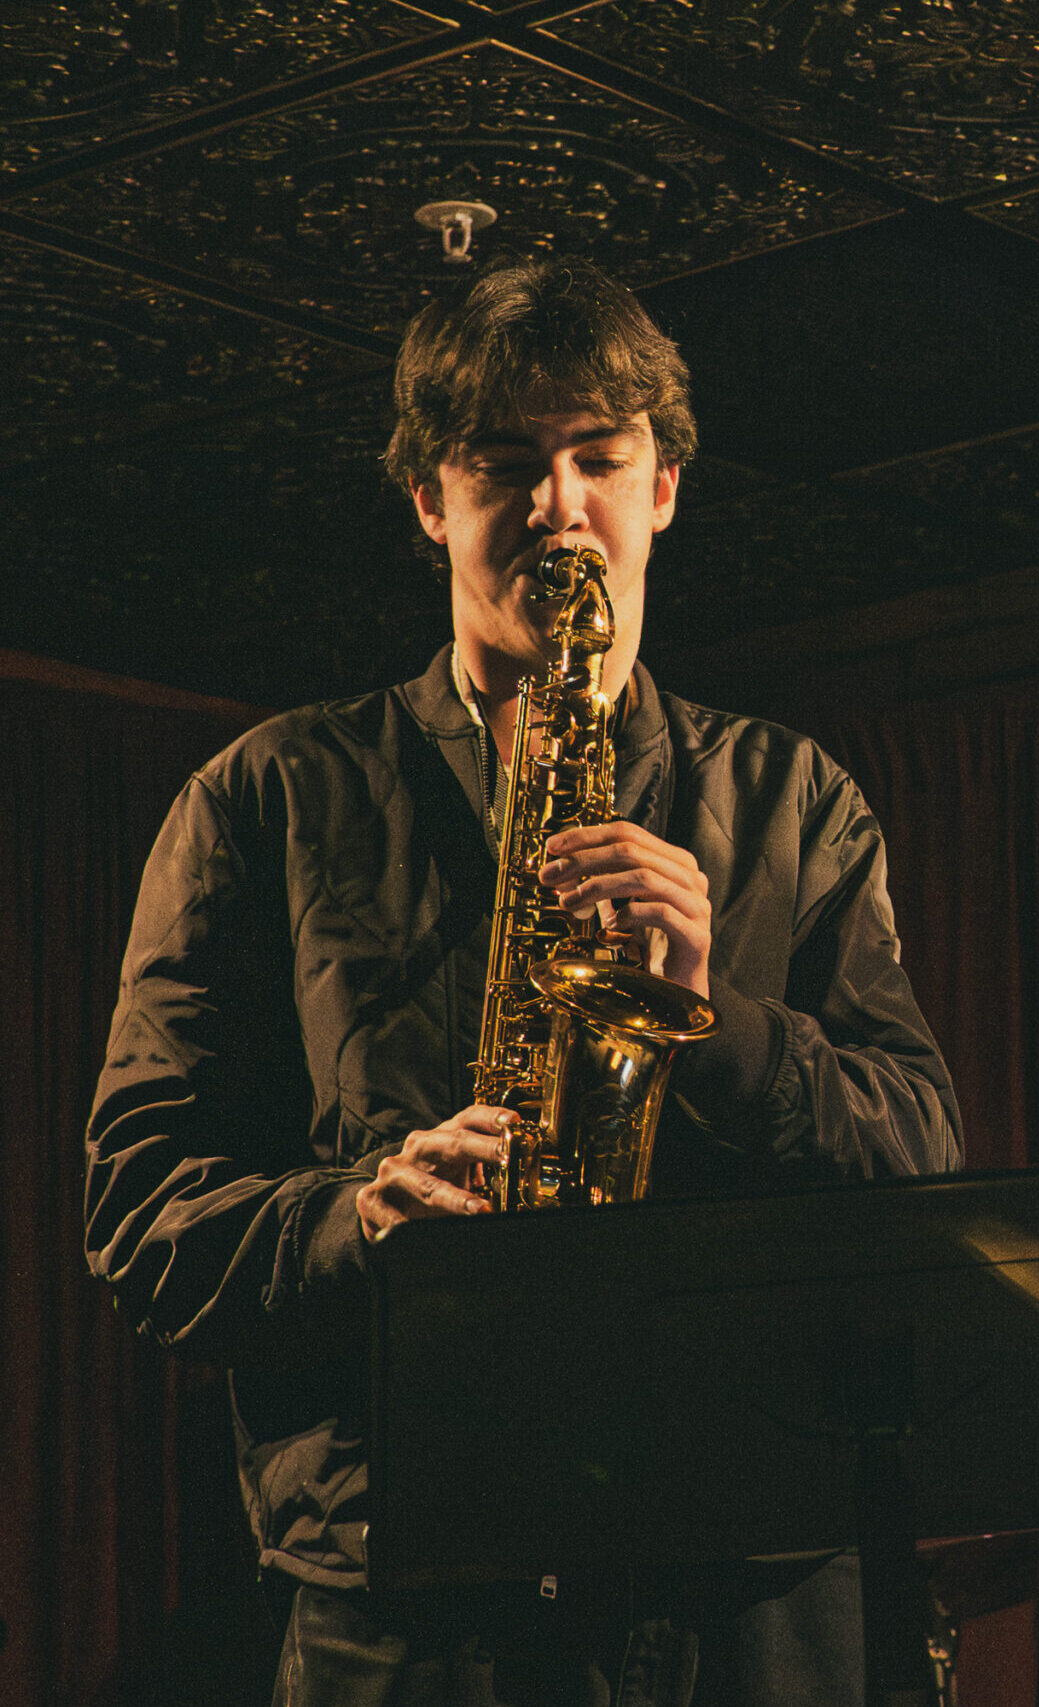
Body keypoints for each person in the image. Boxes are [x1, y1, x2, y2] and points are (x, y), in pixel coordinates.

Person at [84, 257, 963, 1704]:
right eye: (504, 466)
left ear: (664, 488)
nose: (558, 507)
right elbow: (141, 1220)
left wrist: (717, 1029)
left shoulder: (792, 799)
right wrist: (358, 1216)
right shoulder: (264, 798)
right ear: (429, 501)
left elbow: (920, 1152)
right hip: (410, 1588)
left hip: (742, 1575)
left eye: (599, 459)